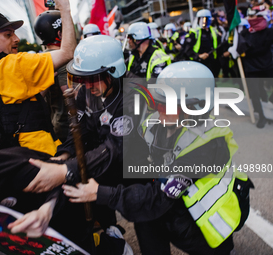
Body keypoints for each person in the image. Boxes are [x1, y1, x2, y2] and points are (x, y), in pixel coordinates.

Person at [62, 62, 253, 255]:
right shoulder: (158, 124)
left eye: (167, 105)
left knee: (150, 204)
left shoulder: (207, 145)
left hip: (207, 222)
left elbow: (160, 197)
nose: (159, 109)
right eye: (157, 102)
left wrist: (100, 193)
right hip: (179, 204)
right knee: (145, 213)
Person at [20, 35, 133, 254]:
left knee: (148, 225)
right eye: (84, 78)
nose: (87, 85)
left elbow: (115, 148)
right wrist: (62, 156)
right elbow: (78, 134)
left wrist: (65, 170)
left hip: (137, 172)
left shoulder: (133, 95)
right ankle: (110, 232)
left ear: (113, 71)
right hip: (103, 165)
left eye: (94, 78)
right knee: (89, 196)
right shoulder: (85, 94)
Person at [0, 0, 76, 154]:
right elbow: (68, 52)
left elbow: (13, 107)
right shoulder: (13, 64)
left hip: (11, 154)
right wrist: (65, 9)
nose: (16, 39)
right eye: (8, 35)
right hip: (41, 151)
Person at [34, 10, 69, 143]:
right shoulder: (60, 60)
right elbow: (71, 95)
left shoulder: (40, 59)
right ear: (59, 34)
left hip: (56, 125)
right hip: (70, 127)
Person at [185, 9, 221, 77]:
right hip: (199, 62)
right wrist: (198, 56)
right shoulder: (194, 32)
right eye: (201, 19)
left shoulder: (214, 30)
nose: (203, 22)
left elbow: (218, 44)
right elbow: (187, 49)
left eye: (205, 19)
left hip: (212, 61)